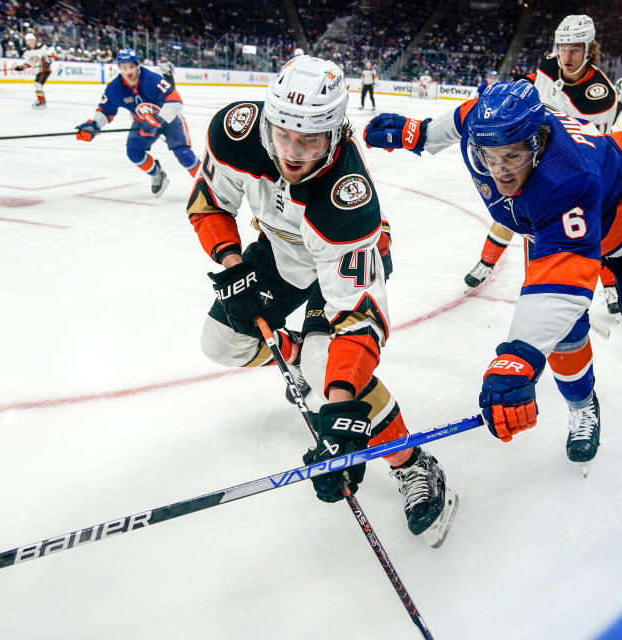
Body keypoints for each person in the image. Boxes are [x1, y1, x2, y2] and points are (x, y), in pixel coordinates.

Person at [364, 80, 622, 471]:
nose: (500, 170)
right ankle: (582, 405)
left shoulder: (568, 175)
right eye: (488, 156)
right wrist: (417, 134)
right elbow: (464, 116)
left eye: (513, 156)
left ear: (537, 144)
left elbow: (564, 279)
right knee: (564, 338)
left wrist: (519, 358)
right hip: (553, 226)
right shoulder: (487, 130)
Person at [188, 55, 458, 544]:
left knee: (324, 366)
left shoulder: (345, 200)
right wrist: (233, 269)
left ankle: (413, 461)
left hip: (335, 259)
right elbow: (210, 200)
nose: (291, 152)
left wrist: (338, 408)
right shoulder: (237, 132)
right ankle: (296, 354)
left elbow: (361, 317)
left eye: (310, 138)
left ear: (335, 135)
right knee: (220, 344)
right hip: (279, 250)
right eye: (283, 133)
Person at [462, 15, 621, 317]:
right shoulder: (549, 66)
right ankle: (486, 263)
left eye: (574, 49)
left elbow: (587, 148)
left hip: (573, 167)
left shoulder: (599, 95)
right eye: (562, 48)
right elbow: (533, 92)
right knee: (509, 210)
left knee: (592, 227)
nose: (566, 56)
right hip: (536, 155)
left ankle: (609, 283)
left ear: (589, 49)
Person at [74, 48, 200, 198]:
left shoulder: (152, 79)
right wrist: (94, 125)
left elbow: (176, 102)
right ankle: (157, 174)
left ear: (137, 66)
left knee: (184, 154)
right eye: (124, 67)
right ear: (119, 68)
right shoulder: (114, 88)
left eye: (131, 67)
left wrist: (157, 120)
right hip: (142, 121)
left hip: (170, 119)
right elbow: (106, 111)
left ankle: (209, 187)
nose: (129, 72)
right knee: (134, 151)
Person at [15, 32, 56, 109]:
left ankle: (41, 101)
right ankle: (41, 100)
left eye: (32, 40)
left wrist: (49, 61)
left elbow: (53, 53)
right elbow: (29, 63)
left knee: (37, 84)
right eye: (29, 41)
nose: (31, 42)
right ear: (26, 42)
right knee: (37, 85)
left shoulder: (42, 47)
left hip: (45, 70)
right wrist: (21, 67)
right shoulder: (27, 52)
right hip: (39, 71)